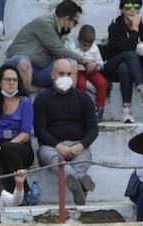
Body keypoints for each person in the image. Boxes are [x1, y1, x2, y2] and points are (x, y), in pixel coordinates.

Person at [34, 58, 100, 205]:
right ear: (52, 75)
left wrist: (81, 146)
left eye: (69, 74)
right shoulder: (42, 99)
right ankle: (81, 182)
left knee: (84, 158)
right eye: (61, 73)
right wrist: (58, 146)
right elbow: (40, 130)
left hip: (78, 145)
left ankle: (76, 183)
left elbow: (93, 129)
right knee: (52, 158)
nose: (65, 77)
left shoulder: (84, 98)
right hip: (51, 147)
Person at [4, 0, 81, 90]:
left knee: (71, 64)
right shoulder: (45, 23)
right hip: (16, 66)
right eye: (75, 22)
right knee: (24, 63)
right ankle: (24, 101)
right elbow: (59, 50)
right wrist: (83, 60)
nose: (74, 26)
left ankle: (69, 101)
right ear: (67, 19)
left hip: (39, 71)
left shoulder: (62, 32)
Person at [104, 0, 143, 123]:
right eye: (128, 6)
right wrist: (135, 27)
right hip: (112, 67)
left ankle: (126, 111)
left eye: (136, 6)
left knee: (124, 68)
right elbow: (126, 47)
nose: (133, 10)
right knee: (128, 54)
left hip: (136, 71)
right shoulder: (114, 27)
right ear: (122, 10)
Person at [0, 65, 37, 193]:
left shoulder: (24, 102)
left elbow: (25, 133)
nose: (12, 82)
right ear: (0, 82)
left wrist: (7, 145)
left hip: (21, 146)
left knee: (8, 148)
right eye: (8, 79)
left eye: (15, 80)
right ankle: (3, 191)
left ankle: (24, 191)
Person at [70, 24, 109, 121]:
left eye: (89, 46)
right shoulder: (72, 47)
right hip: (78, 71)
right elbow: (69, 60)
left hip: (92, 72)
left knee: (102, 83)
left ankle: (99, 108)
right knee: (81, 84)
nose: (86, 48)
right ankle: (81, 109)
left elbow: (101, 63)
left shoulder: (95, 49)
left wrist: (95, 66)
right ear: (79, 39)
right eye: (84, 45)